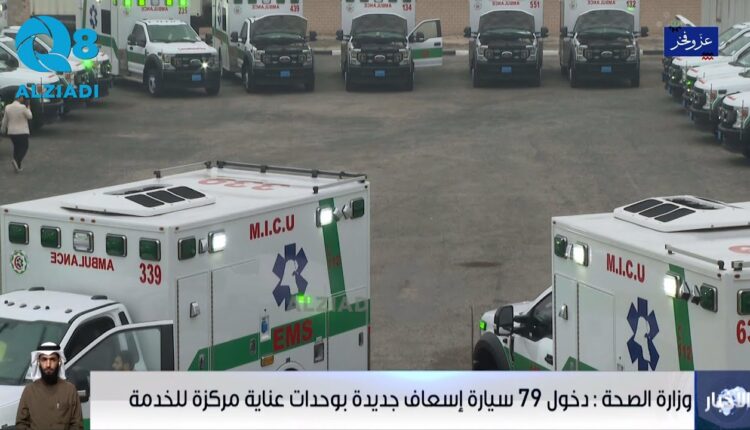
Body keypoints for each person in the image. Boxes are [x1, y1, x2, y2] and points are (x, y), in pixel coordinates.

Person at [16, 342, 83, 430]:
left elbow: (77, 425)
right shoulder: (29, 391)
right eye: (44, 359)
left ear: (59, 362)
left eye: (52, 359)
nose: (48, 365)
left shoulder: (70, 390)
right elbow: (21, 424)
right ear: (38, 362)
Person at [1, 95, 33, 173]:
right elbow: (30, 116)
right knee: (24, 147)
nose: (23, 99)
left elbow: (5, 120)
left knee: (16, 148)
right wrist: (28, 108)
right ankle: (16, 160)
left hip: (12, 132)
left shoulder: (7, 107)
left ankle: (18, 167)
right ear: (20, 98)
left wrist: (3, 129)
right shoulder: (23, 107)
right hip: (22, 131)